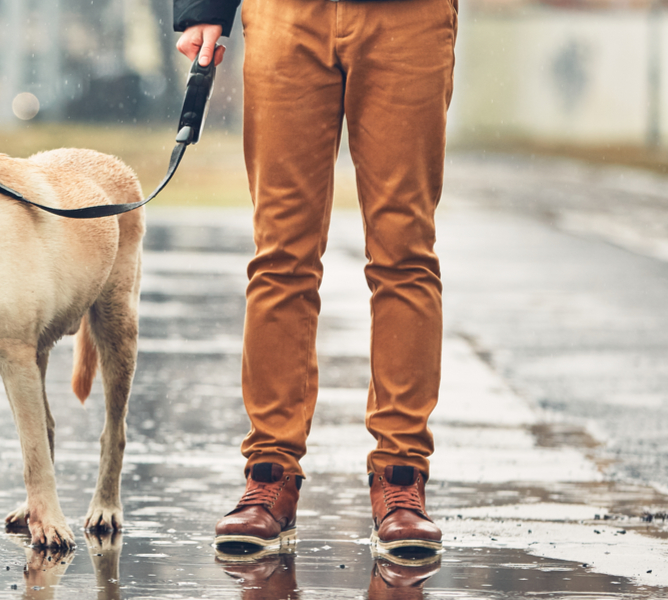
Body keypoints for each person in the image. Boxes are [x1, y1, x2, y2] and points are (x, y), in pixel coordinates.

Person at [173, 0, 457, 553]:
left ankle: (401, 476)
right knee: (281, 254)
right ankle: (269, 474)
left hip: (409, 17)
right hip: (285, 15)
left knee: (405, 253)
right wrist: (203, 6)